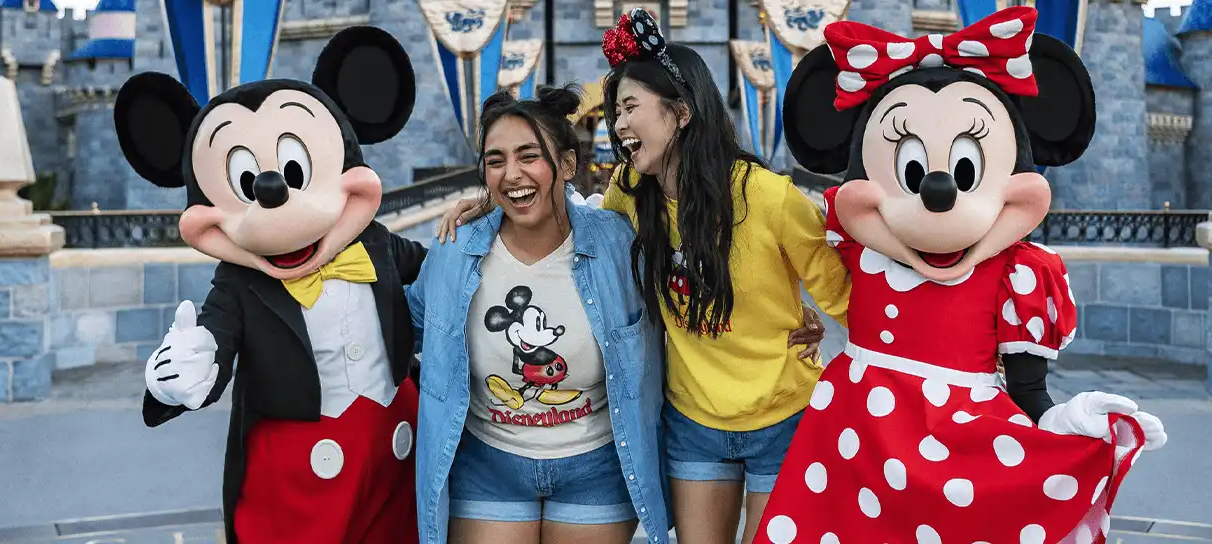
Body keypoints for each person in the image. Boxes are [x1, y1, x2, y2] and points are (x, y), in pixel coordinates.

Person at [749, 9, 1168, 543]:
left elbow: (1029, 393)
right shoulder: (857, 246)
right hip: (852, 443)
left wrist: (1069, 425)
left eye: (965, 170)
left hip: (958, 451)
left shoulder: (1018, 274)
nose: (938, 191)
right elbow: (782, 260)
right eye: (913, 171)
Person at [437, 9, 848, 544]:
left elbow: (847, 296)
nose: (618, 125)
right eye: (615, 112)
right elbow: (570, 224)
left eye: (630, 108)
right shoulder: (631, 194)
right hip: (693, 424)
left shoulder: (769, 197)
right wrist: (491, 205)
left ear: (681, 112)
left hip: (783, 417)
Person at [115, 27, 425, 543]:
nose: (273, 192)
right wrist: (183, 372)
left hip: (395, 458)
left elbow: (445, 278)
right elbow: (216, 340)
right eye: (246, 183)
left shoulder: (375, 244)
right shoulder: (239, 282)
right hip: (298, 482)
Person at [404, 85, 667, 544]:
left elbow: (683, 306)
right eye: (496, 161)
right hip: (487, 465)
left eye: (529, 156)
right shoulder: (454, 250)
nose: (512, 174)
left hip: (596, 466)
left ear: (566, 164)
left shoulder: (618, 245)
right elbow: (405, 325)